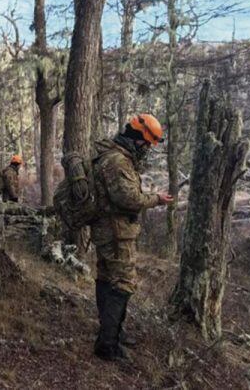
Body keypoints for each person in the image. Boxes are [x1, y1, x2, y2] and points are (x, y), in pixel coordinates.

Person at [90, 113, 173, 361]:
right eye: (147, 144)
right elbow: (128, 199)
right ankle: (107, 346)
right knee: (123, 284)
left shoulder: (115, 156)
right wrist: (155, 199)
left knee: (107, 279)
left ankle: (112, 332)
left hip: (110, 230)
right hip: (116, 233)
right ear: (138, 139)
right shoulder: (117, 161)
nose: (147, 149)